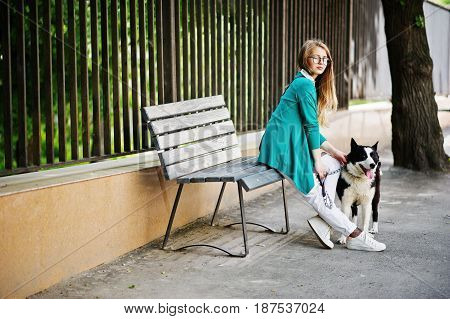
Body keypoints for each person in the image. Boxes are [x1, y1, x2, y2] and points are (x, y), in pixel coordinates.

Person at [257, 39, 386, 252]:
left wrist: (334, 152)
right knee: (316, 193)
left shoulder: (306, 83)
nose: (321, 62)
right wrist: (317, 162)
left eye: (325, 58)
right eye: (315, 57)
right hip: (282, 149)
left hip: (290, 143)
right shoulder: (304, 84)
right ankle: (355, 235)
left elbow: (311, 129)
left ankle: (323, 221)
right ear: (304, 59)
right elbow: (309, 126)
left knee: (335, 164)